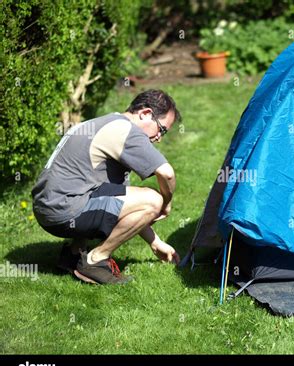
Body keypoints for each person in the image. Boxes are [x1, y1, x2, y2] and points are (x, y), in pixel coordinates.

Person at [31, 89, 181, 284]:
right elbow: (167, 173)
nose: (159, 138)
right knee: (153, 200)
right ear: (145, 114)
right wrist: (166, 203)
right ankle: (95, 260)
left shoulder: (103, 122)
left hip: (47, 208)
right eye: (161, 129)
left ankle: (73, 254)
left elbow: (122, 204)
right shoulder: (126, 130)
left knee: (106, 193)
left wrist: (156, 243)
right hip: (63, 211)